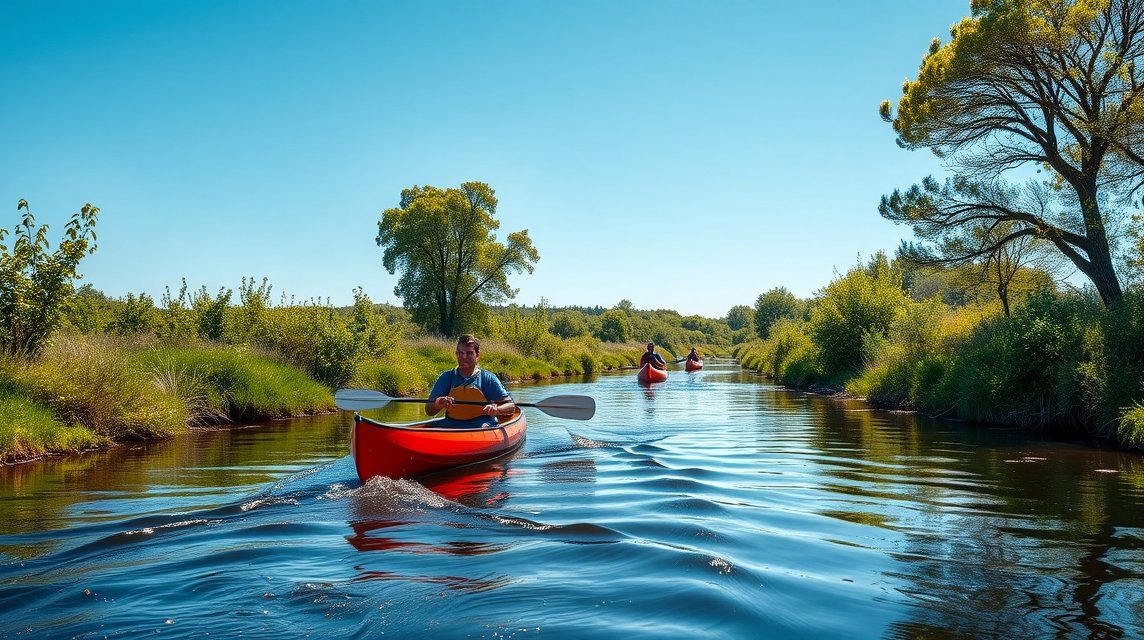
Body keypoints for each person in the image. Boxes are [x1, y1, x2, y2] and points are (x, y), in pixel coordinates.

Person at [426, 334, 517, 428]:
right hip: (451, 423)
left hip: (482, 424)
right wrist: (438, 403)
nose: (464, 357)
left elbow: (510, 406)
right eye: (461, 353)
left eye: (469, 353)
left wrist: (497, 409)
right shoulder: (446, 378)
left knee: (483, 427)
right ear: (456, 354)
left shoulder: (488, 379)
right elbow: (429, 410)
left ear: (477, 355)